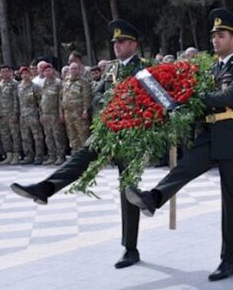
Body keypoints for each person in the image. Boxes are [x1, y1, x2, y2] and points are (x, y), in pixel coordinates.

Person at [122, 8, 233, 281]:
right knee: (183, 169)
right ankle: (153, 198)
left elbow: (230, 95)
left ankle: (228, 260)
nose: (215, 40)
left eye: (221, 35)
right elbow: (201, 100)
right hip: (210, 133)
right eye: (214, 36)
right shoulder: (211, 68)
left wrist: (193, 96)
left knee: (231, 201)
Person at [11, 19, 150, 269]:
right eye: (114, 42)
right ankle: (45, 188)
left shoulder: (144, 70)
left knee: (127, 189)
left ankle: (130, 248)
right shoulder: (112, 70)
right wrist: (107, 108)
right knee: (80, 157)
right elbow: (97, 96)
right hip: (108, 132)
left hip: (132, 135)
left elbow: (156, 101)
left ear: (133, 44)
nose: (116, 46)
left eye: (121, 42)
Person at [37, 62, 66, 165]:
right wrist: (41, 114)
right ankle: (52, 156)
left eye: (49, 70)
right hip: (46, 114)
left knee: (58, 135)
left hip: (55, 114)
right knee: (48, 136)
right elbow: (41, 100)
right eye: (45, 71)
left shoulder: (58, 83)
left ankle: (60, 156)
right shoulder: (43, 84)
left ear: (53, 71)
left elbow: (60, 99)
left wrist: (61, 113)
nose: (48, 72)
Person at [60, 62, 92, 151]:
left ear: (79, 70)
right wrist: (61, 112)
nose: (73, 70)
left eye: (75, 68)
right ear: (69, 70)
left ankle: (85, 155)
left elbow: (86, 97)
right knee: (72, 135)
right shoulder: (65, 81)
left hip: (79, 112)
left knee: (83, 134)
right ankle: (75, 154)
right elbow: (62, 97)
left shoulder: (83, 81)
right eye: (72, 69)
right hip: (68, 113)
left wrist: (85, 111)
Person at [17, 66, 45, 165]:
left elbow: (40, 102)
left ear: (30, 74)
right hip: (23, 116)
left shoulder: (35, 87)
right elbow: (18, 102)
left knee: (37, 137)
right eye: (23, 74)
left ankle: (39, 156)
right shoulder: (19, 87)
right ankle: (29, 156)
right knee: (25, 137)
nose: (25, 75)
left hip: (33, 115)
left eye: (26, 73)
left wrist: (41, 114)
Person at [0, 65, 21, 165]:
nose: (5, 73)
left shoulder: (14, 84)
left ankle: (16, 155)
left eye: (7, 71)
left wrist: (15, 113)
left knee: (15, 135)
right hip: (2, 114)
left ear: (11, 72)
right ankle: (8, 155)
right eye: (3, 72)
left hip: (11, 114)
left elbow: (16, 100)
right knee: (5, 136)